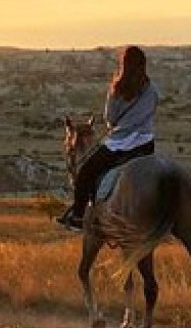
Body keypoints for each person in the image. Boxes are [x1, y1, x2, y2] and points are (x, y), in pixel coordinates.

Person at [58, 45, 159, 231]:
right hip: (145, 145)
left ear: (123, 64)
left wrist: (118, 126)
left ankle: (78, 216)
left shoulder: (117, 88)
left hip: (119, 144)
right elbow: (149, 114)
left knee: (85, 174)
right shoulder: (152, 90)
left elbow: (109, 118)